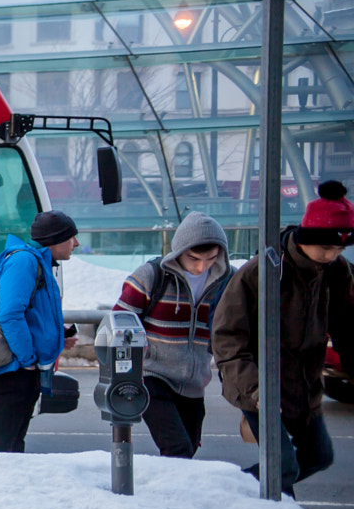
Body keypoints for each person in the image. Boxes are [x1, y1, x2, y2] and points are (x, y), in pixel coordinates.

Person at [212, 181, 354, 490]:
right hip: (259, 385)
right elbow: (227, 338)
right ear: (305, 239)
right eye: (326, 247)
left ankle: (240, 493)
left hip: (304, 388)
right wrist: (257, 389)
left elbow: (347, 325)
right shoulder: (262, 271)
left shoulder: (337, 271)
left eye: (339, 249)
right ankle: (228, 494)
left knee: (320, 456)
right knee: (283, 467)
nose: (331, 255)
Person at [118, 212, 232, 459]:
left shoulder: (227, 281)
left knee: (186, 453)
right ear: (179, 250)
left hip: (195, 383)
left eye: (211, 258)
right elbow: (120, 324)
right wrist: (126, 375)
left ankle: (169, 496)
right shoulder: (151, 275)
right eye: (194, 258)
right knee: (177, 449)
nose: (201, 266)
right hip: (152, 376)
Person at [0, 210, 76, 457]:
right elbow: (9, 315)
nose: (76, 244)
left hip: (23, 368)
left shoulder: (38, 261)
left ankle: (5, 491)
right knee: (0, 445)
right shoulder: (24, 261)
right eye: (72, 237)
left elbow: (33, 313)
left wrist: (60, 334)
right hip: (15, 369)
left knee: (12, 444)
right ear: (56, 238)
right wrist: (28, 360)